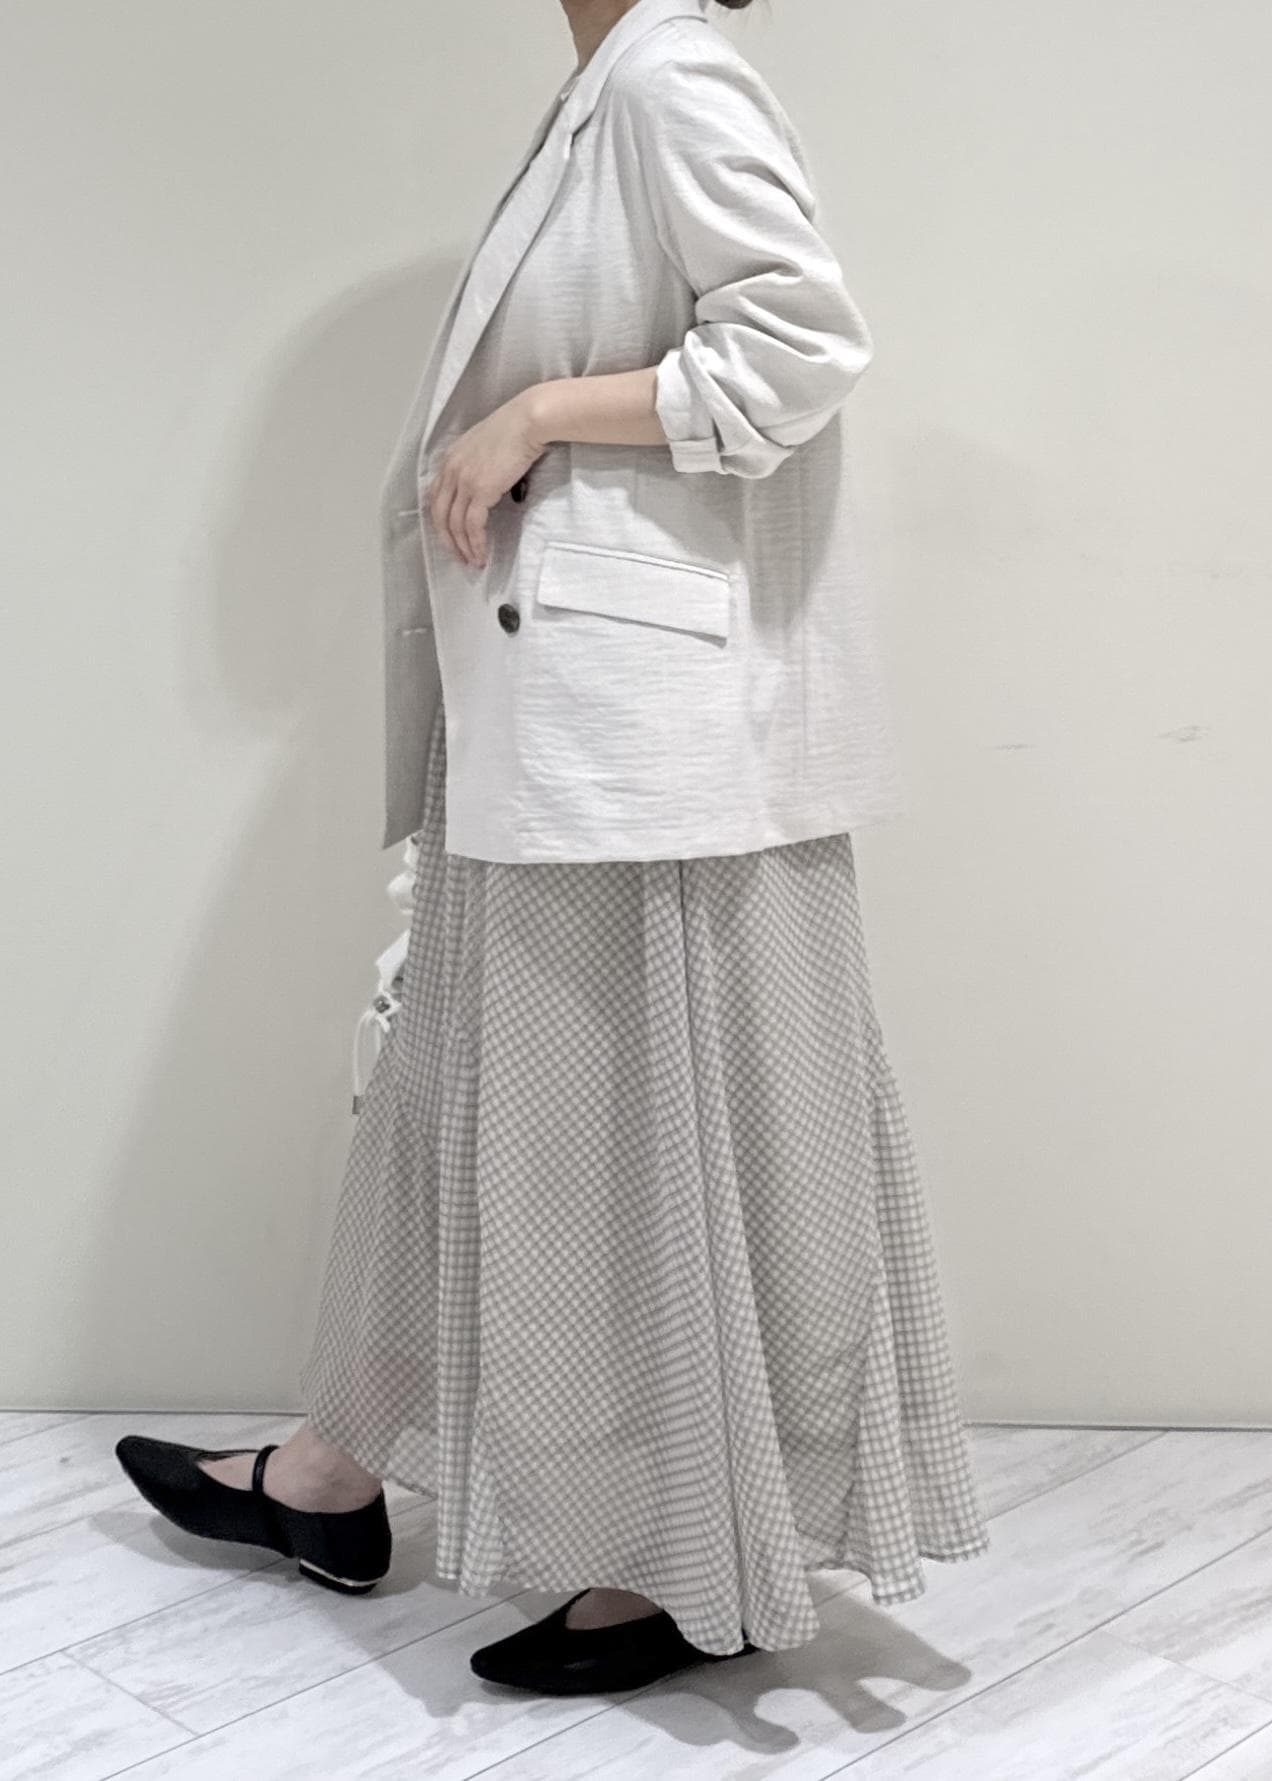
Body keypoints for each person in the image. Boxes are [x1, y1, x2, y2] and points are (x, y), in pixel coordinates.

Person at [115, 0, 991, 1696]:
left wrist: (536, 416)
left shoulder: (670, 72)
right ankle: (333, 1471)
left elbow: (800, 340)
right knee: (460, 1091)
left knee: (611, 1140)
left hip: (646, 744)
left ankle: (671, 1552)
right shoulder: (612, 86)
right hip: (562, 713)